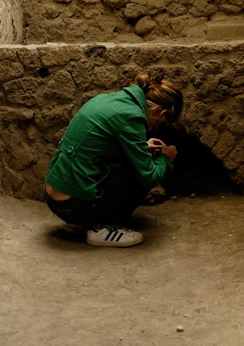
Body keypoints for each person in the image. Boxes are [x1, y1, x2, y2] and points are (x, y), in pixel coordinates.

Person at [44, 71, 184, 248]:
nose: (156, 127)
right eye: (161, 122)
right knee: (138, 172)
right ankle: (102, 228)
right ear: (157, 111)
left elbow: (101, 146)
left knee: (134, 160)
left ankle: (82, 223)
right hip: (75, 206)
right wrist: (166, 158)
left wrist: (141, 147)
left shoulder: (109, 100)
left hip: (57, 199)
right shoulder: (132, 117)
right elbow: (148, 177)